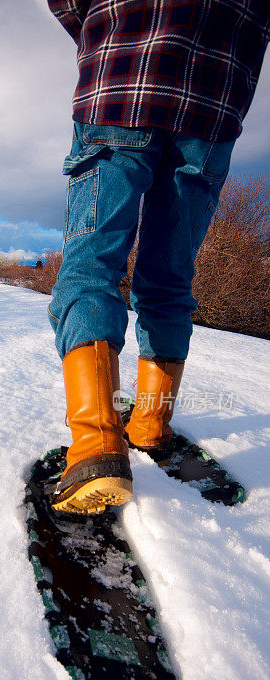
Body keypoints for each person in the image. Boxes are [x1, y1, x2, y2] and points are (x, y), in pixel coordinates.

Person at [47, 0, 269, 514]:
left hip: (122, 82)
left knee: (91, 264)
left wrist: (105, 33)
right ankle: (149, 422)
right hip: (214, 108)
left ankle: (96, 443)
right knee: (169, 278)